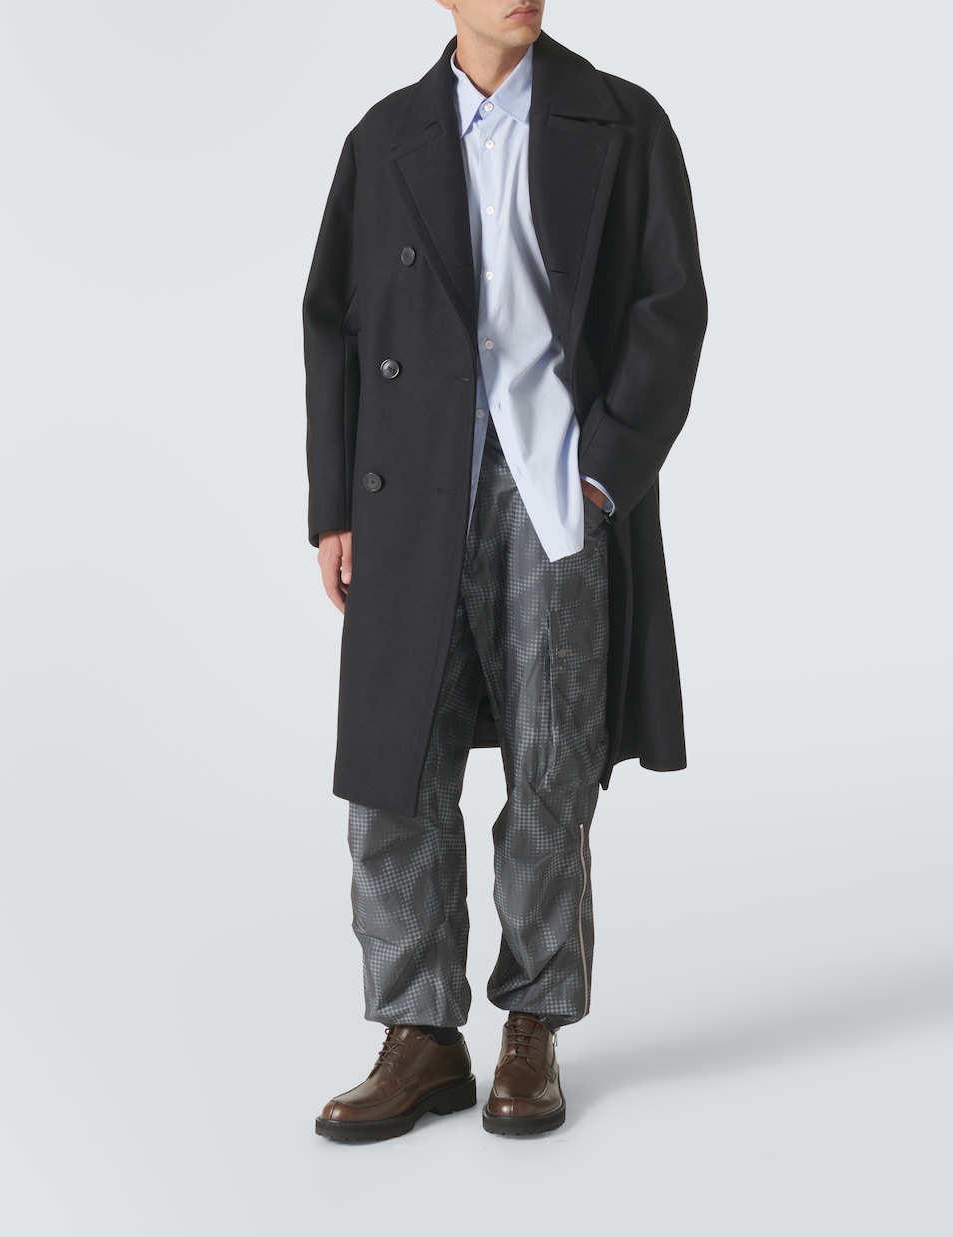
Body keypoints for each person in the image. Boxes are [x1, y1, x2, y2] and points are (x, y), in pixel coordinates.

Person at [304, 0, 707, 1141]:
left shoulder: (622, 122)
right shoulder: (384, 139)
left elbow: (669, 309)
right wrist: (335, 507)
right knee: (396, 770)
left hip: (555, 489)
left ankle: (533, 1022)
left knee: (551, 766)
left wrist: (602, 473)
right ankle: (419, 1035)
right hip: (408, 493)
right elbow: (333, 323)